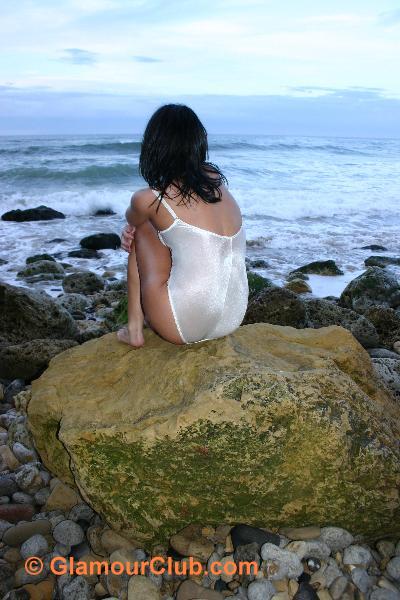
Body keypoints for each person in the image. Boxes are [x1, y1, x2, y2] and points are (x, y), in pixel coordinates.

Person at [117, 103, 248, 348]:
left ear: (154, 145)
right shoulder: (215, 179)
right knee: (169, 232)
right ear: (198, 143)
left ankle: (134, 329)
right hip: (233, 316)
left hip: (182, 326)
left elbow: (131, 219)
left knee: (142, 228)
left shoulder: (148, 199)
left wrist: (128, 230)